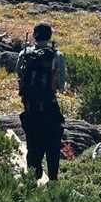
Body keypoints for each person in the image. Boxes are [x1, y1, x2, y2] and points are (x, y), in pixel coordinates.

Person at [16, 22, 67, 181]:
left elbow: (19, 75)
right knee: (53, 148)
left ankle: (32, 180)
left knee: (33, 146)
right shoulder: (57, 56)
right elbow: (61, 86)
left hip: (30, 109)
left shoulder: (24, 54)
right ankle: (52, 181)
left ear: (34, 36)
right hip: (50, 108)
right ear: (50, 36)